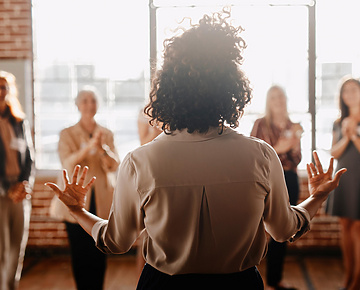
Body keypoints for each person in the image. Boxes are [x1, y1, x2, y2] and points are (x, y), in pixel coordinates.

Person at [46, 10, 346, 289]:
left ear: (165, 90)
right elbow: (284, 230)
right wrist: (317, 196)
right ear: (232, 90)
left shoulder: (140, 161)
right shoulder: (261, 155)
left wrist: (77, 210)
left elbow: (116, 241)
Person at [49, 88, 120, 290]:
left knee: (100, 249)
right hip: (74, 200)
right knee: (80, 253)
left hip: (102, 200)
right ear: (78, 105)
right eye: (85, 101)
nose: (90, 105)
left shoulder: (107, 133)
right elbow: (67, 162)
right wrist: (88, 147)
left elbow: (115, 165)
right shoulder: (67, 133)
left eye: (93, 101)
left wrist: (102, 150)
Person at [251, 85, 303, 290]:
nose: (278, 100)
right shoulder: (260, 124)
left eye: (281, 96)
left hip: (289, 179)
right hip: (264, 180)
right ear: (268, 101)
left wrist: (293, 146)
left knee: (283, 230)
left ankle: (274, 280)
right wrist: (280, 148)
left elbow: (296, 159)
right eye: (273, 97)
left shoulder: (294, 125)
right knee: (255, 228)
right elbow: (254, 155)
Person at [0, 71, 34, 290]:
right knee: (1, 251)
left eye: (5, 87)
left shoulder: (19, 121)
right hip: (1, 194)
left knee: (17, 248)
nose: (1, 91)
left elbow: (29, 157)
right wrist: (7, 189)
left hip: (20, 192)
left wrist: (24, 184)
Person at [326, 77, 360, 290]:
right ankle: (348, 278)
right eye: (345, 91)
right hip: (344, 177)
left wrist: (354, 134)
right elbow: (334, 152)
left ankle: (357, 282)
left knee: (358, 227)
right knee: (345, 226)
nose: (349, 94)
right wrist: (346, 136)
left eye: (354, 89)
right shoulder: (338, 122)